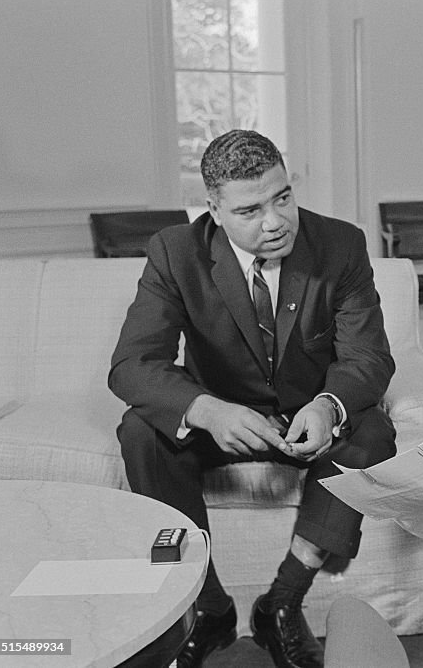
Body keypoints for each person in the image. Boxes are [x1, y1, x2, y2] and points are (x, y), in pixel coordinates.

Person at [109, 130, 396, 668]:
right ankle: (212, 609)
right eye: (250, 209)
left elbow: (369, 358)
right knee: (139, 430)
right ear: (214, 210)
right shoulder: (175, 252)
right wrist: (207, 410)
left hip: (305, 418)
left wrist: (328, 404)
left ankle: (282, 604)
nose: (275, 221)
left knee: (374, 431)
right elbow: (131, 364)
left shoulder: (341, 245)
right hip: (223, 418)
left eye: (282, 197)